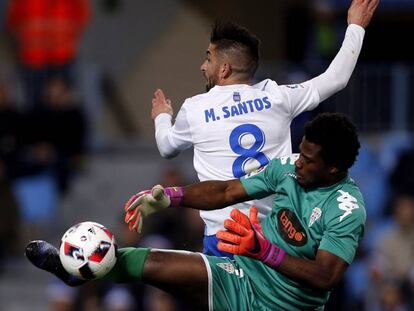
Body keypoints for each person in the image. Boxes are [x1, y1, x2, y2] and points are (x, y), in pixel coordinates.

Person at [26, 112, 366, 310]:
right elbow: (227, 190)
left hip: (285, 305)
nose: (299, 162)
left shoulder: (346, 209)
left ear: (334, 168)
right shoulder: (287, 167)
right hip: (241, 277)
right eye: (300, 152)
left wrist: (265, 251)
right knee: (155, 262)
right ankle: (77, 272)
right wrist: (170, 196)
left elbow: (326, 277)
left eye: (308, 160)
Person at [149, 0, 378, 256]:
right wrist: (356, 26)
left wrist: (162, 116)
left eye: (208, 58)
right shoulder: (276, 96)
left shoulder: (194, 109)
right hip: (275, 236)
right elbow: (337, 78)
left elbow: (166, 147)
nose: (203, 66)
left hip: (224, 235)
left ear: (224, 68)